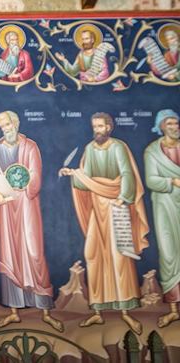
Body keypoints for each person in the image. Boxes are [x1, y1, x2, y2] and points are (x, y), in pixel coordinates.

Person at [60, 112, 149, 334]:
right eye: (95, 126)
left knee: (119, 256)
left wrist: (122, 197)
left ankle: (126, 311)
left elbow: (127, 175)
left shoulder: (118, 147)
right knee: (94, 255)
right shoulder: (90, 149)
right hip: (97, 208)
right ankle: (98, 311)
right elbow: (86, 181)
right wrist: (73, 175)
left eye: (100, 126)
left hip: (116, 207)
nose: (97, 130)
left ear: (109, 127)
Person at [0, 111, 61, 331]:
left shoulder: (30, 147)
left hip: (25, 203)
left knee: (33, 253)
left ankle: (45, 310)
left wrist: (23, 186)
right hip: (5, 206)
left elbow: (35, 177)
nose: (5, 128)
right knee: (9, 253)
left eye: (7, 124)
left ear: (15, 123)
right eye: (1, 125)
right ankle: (14, 311)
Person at [144, 109, 180, 328]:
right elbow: (151, 180)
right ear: (161, 127)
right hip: (165, 208)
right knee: (169, 255)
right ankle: (174, 309)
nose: (175, 127)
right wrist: (173, 182)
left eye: (177, 123)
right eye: (170, 124)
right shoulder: (152, 151)